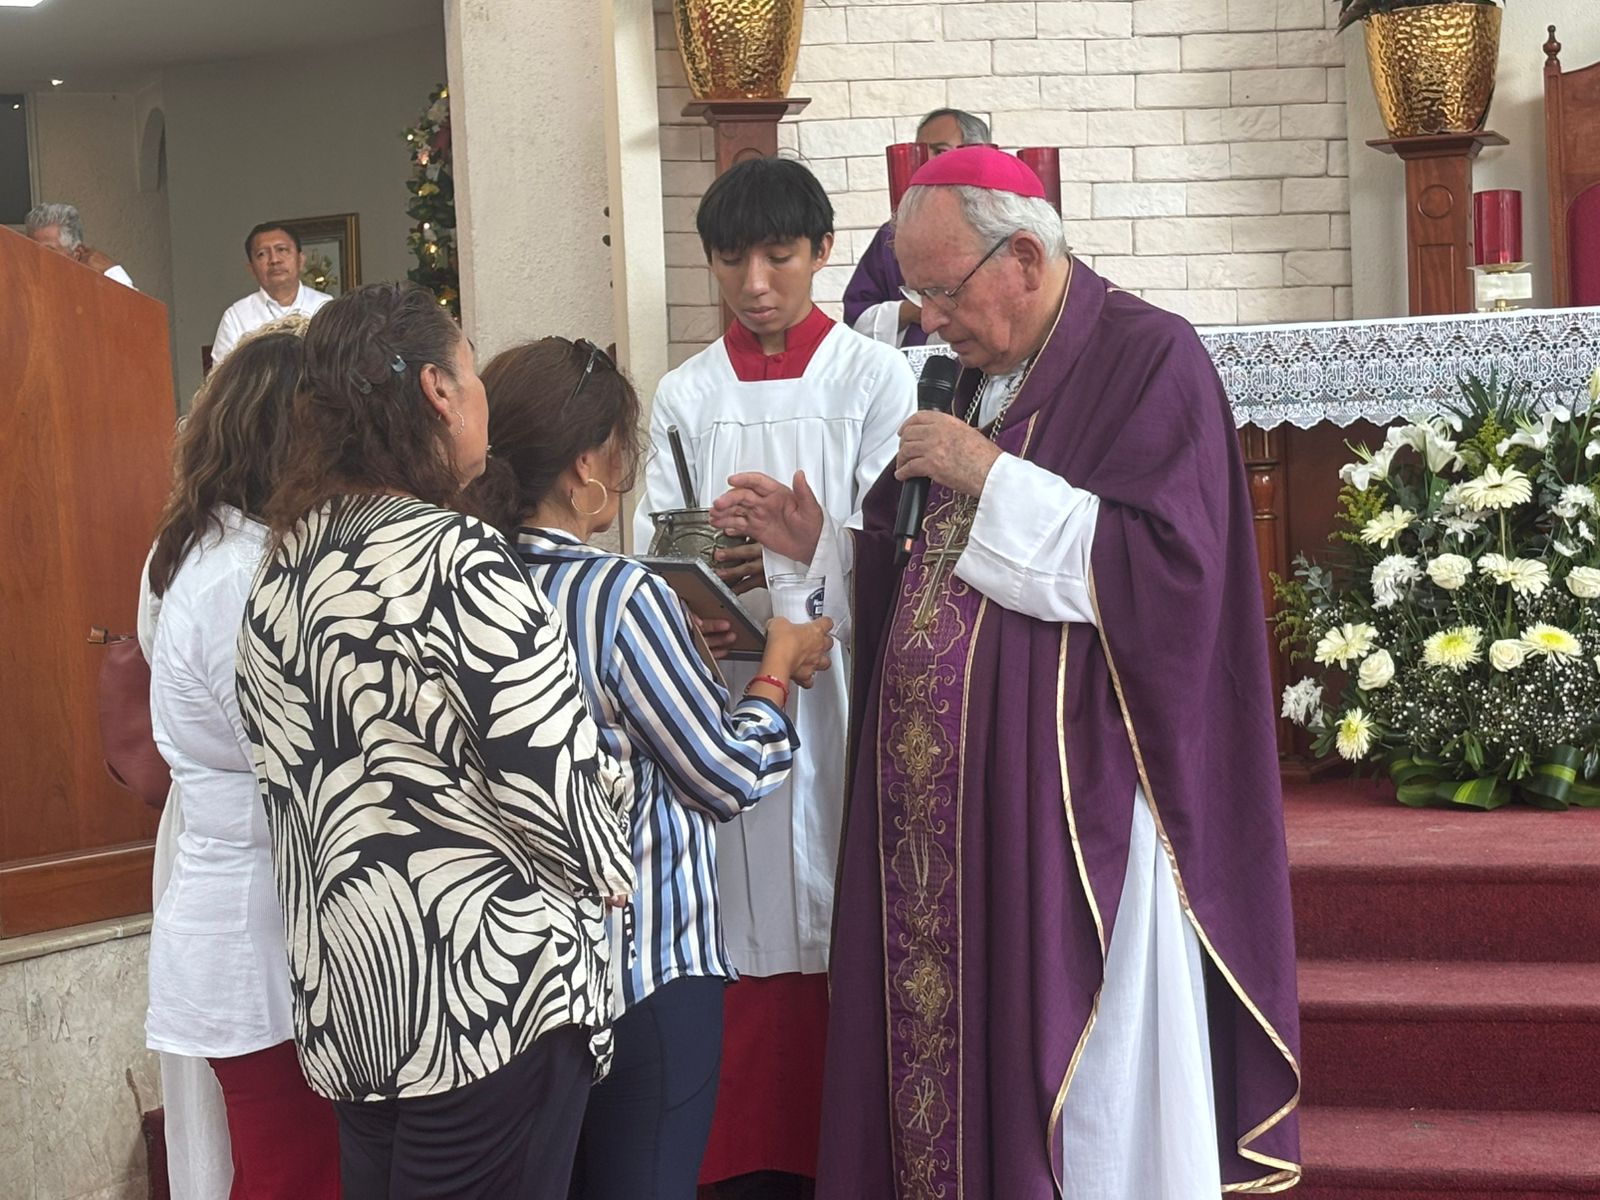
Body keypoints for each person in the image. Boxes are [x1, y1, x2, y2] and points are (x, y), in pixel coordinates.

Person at [710, 146, 1303, 1199]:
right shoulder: (967, 370)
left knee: (1077, 1093)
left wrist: (989, 474)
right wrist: (820, 544)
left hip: (1074, 818)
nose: (928, 321)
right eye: (918, 295)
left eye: (942, 291)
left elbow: (1169, 577)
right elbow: (915, 575)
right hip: (944, 820)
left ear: (1021, 258)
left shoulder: (1147, 360)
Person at [235, 282, 635, 1200]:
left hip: (358, 1000)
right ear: (438, 391)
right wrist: (616, 788)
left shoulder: (283, 569)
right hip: (487, 999)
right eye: (470, 368)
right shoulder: (458, 559)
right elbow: (563, 803)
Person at [467, 335, 834, 1200]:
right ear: (584, 470)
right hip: (639, 967)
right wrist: (775, 665)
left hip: (514, 977)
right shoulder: (620, 595)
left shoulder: (467, 582)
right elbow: (725, 775)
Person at [634, 156, 916, 1198]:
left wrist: (804, 554)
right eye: (730, 259)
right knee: (740, 910)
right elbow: (652, 543)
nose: (754, 282)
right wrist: (703, 582)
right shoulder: (684, 393)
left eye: (778, 256)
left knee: (838, 896)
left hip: (843, 684)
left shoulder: (872, 379)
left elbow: (900, 538)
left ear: (819, 254)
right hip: (723, 693)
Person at [141, 317, 335, 1199]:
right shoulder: (235, 583)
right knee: (290, 1175)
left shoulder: (242, 554)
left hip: (276, 915)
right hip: (261, 930)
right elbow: (306, 753)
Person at [841, 108, 989, 348]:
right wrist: (907, 310)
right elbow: (857, 317)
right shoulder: (893, 236)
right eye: (920, 152)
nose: (926, 162)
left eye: (939, 151)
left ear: (976, 155)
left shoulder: (994, 231)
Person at [211, 223, 332, 365]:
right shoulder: (236, 317)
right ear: (251, 268)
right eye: (262, 254)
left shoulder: (326, 307)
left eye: (282, 250)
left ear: (301, 260)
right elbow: (223, 378)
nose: (274, 260)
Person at [25, 202, 136, 288]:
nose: (36, 259)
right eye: (32, 251)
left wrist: (112, 271)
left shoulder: (95, 292)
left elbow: (134, 311)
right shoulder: (21, 289)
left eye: (48, 252)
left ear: (76, 254)